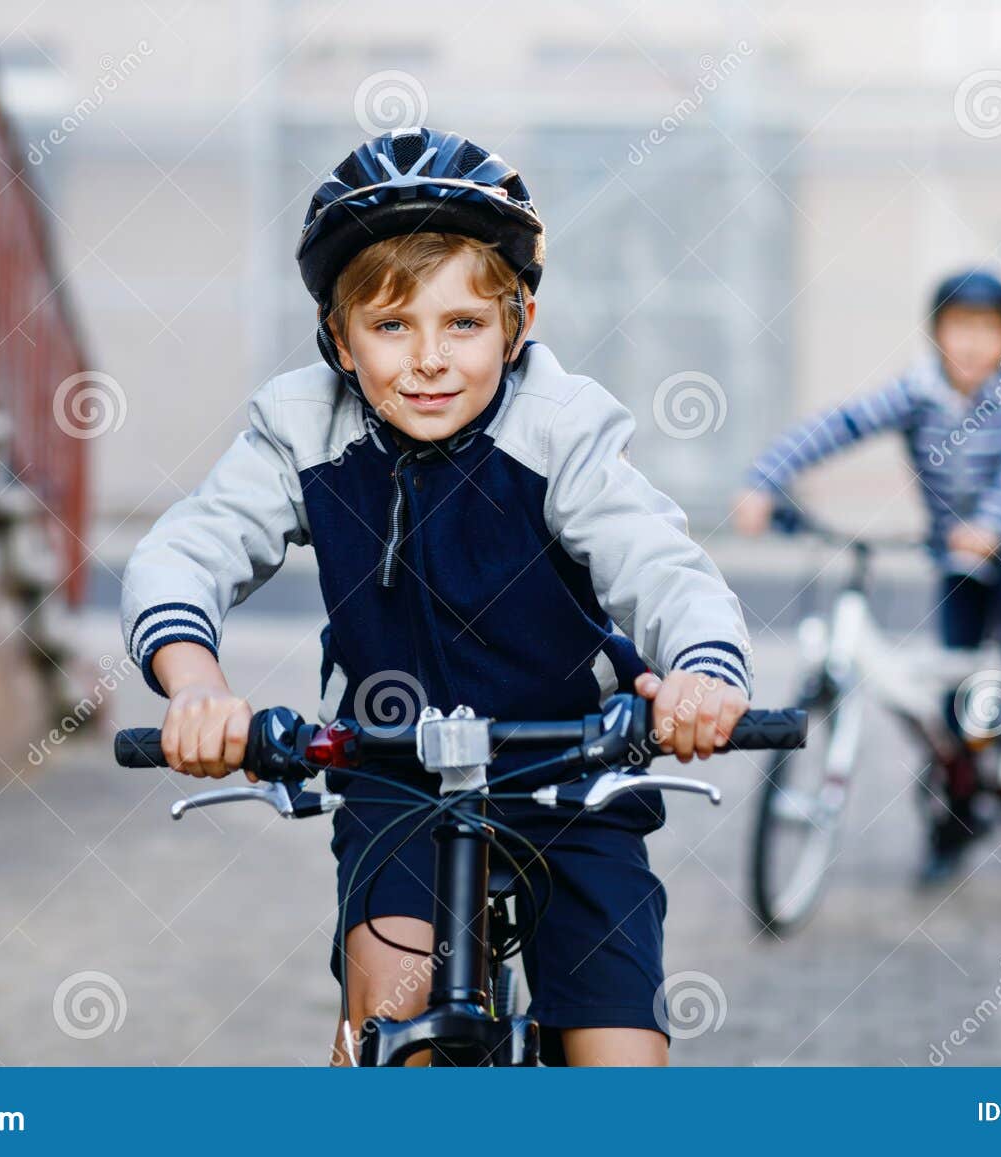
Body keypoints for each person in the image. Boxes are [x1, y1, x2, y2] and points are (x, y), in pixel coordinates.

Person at [121, 127, 754, 1065]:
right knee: (387, 1026)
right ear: (340, 337)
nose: (428, 359)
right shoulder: (302, 427)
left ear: (518, 322)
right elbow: (187, 550)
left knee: (620, 1062)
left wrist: (703, 671)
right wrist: (197, 685)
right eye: (390, 325)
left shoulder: (561, 426)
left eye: (463, 323)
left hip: (573, 770)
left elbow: (660, 565)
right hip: (398, 772)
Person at [732, 268, 1001, 885]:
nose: (970, 345)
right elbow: (840, 425)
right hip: (956, 550)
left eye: (987, 331)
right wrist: (765, 478)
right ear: (935, 335)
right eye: (958, 329)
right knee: (952, 699)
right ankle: (953, 826)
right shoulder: (917, 393)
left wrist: (989, 523)